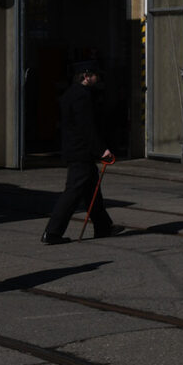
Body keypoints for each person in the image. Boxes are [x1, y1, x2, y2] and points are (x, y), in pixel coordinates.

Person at [42, 61, 120, 244]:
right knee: (72, 193)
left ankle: (103, 227)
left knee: (92, 191)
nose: (97, 78)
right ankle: (52, 232)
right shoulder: (81, 97)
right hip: (80, 152)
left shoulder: (71, 94)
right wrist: (102, 150)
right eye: (95, 75)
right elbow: (86, 127)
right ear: (86, 76)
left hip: (77, 150)